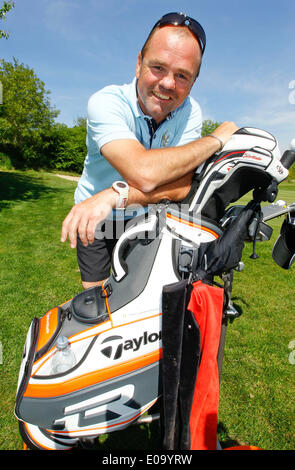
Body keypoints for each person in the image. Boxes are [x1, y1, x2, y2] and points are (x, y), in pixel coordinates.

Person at [61, 12, 238, 289]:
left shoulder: (190, 111)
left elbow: (183, 186)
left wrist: (114, 194)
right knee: (96, 300)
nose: (168, 83)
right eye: (158, 67)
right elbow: (144, 173)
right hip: (96, 217)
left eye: (182, 75)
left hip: (141, 217)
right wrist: (215, 140)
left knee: (138, 298)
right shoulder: (106, 102)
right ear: (138, 64)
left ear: (193, 83)